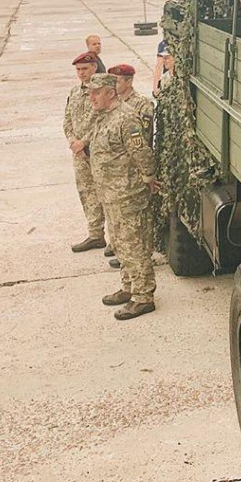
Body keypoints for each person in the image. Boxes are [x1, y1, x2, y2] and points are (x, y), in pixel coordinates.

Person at [87, 73, 159, 320]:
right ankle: (128, 286)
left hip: (128, 194)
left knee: (134, 245)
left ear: (110, 93)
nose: (91, 97)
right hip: (110, 194)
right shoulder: (102, 117)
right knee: (119, 244)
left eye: (96, 93)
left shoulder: (126, 118)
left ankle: (143, 297)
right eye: (90, 93)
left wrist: (148, 179)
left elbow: (142, 153)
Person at [64, 52, 107, 252]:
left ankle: (116, 241)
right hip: (79, 154)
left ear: (94, 68)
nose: (81, 73)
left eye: (84, 69)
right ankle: (95, 235)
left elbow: (103, 119)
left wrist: (85, 142)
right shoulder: (74, 92)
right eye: (78, 70)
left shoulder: (103, 92)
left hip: (99, 151)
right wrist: (73, 142)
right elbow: (67, 120)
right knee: (87, 193)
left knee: (107, 194)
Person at [109, 63, 154, 143]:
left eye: (117, 82)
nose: (113, 85)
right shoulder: (112, 101)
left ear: (129, 82)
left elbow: (145, 135)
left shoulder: (143, 104)